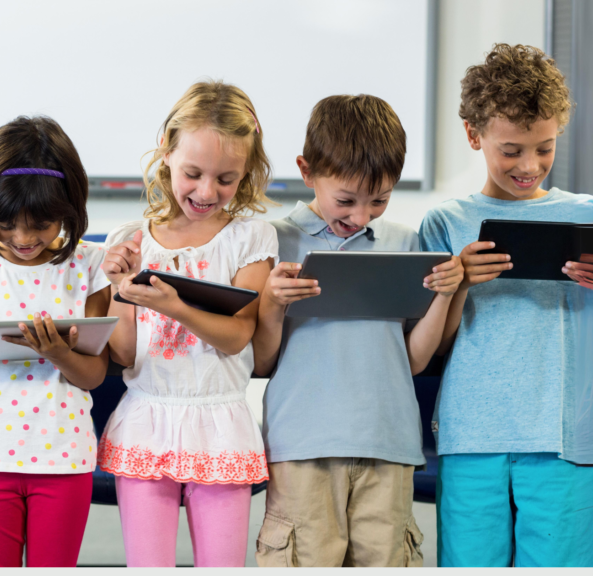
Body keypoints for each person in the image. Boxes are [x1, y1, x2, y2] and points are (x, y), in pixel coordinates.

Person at [253, 94, 463, 567]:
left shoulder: (407, 244)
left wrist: (445, 293)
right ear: (307, 172)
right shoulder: (271, 242)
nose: (362, 216)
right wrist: (270, 302)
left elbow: (411, 360)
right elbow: (260, 362)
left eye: (380, 200)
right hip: (302, 445)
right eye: (346, 200)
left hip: (388, 443)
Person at [418, 43, 593, 567]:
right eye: (511, 149)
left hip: (566, 441)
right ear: (474, 135)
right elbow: (433, 350)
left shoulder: (586, 216)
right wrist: (461, 284)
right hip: (472, 436)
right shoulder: (444, 223)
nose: (529, 165)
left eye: (544, 147)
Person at [98, 80, 276, 567]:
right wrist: (119, 285)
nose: (206, 191)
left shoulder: (250, 237)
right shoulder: (131, 239)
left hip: (219, 422)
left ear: (247, 172)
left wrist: (173, 305)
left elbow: (238, 335)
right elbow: (125, 352)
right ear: (166, 153)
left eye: (226, 178)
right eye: (193, 173)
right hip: (146, 421)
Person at [0, 116, 111, 567]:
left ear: (69, 207)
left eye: (41, 225)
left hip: (63, 457)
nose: (23, 239)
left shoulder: (90, 264)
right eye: (5, 225)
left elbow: (94, 375)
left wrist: (57, 352)